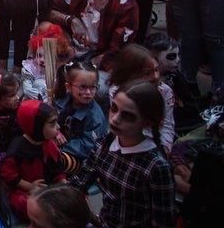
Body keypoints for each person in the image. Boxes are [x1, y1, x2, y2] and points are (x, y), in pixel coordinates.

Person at [69, 80, 175, 228]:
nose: (115, 119)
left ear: (147, 122)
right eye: (114, 108)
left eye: (128, 116)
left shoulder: (156, 166)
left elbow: (162, 222)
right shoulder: (105, 144)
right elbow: (78, 183)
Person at [47, 0, 138, 75]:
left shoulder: (126, 5)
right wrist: (71, 20)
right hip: (70, 48)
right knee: (44, 28)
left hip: (101, 57)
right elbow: (49, 10)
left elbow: (117, 50)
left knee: (99, 87)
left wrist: (86, 68)